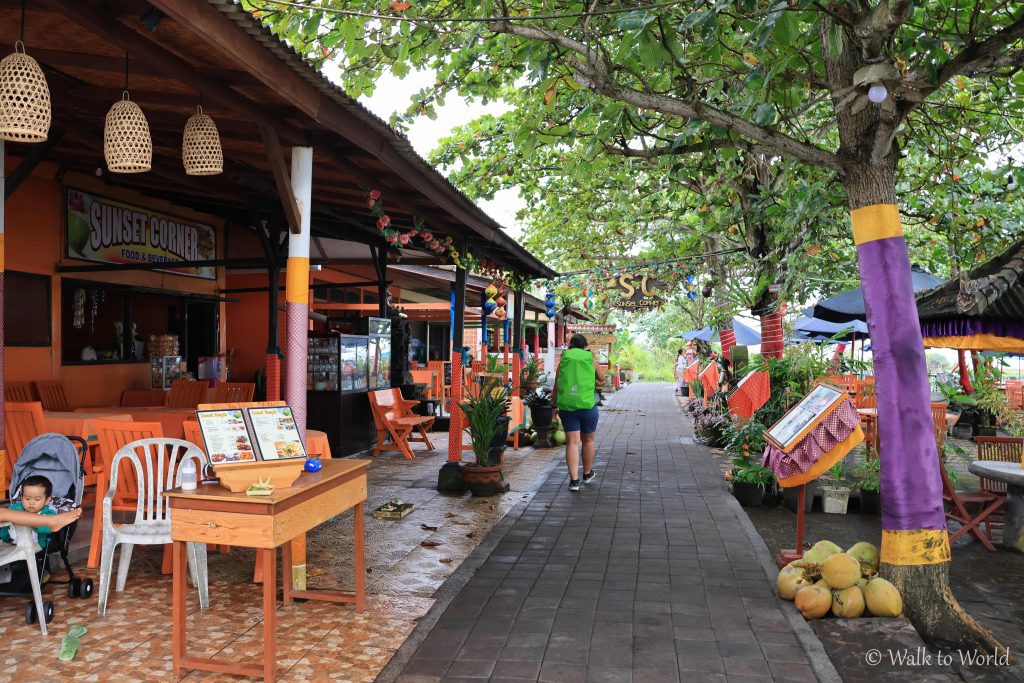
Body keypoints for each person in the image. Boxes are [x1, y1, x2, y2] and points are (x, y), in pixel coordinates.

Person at [552, 334, 605, 492]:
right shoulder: (590, 358)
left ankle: (574, 481)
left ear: (570, 345)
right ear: (585, 346)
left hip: (568, 407)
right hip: (588, 405)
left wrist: (554, 406)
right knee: (588, 441)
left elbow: (556, 385)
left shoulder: (564, 359)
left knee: (572, 443)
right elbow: (602, 378)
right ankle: (587, 474)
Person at [0, 476, 78, 550]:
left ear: (47, 500)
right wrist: (4, 536)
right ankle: (49, 521)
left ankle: (49, 521)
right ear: (21, 497)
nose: (31, 502)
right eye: (27, 498)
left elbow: (46, 530)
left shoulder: (48, 511)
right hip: (11, 542)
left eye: (37, 499)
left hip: (35, 544)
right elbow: (4, 527)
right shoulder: (15, 508)